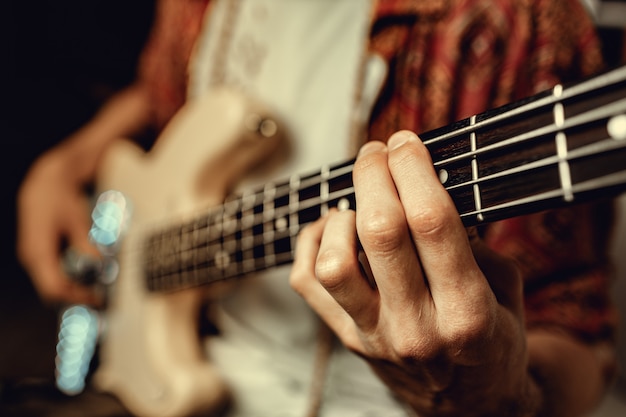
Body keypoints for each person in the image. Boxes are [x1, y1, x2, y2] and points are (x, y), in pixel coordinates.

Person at [16, 0, 619, 416]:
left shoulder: (523, 20)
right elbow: (159, 91)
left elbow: (581, 335)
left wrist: (490, 393)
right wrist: (71, 159)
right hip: (180, 371)